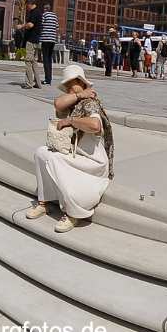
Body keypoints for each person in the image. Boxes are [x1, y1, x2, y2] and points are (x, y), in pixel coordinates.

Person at [27, 65, 114, 233]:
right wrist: (79, 94)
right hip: (76, 155)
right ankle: (44, 202)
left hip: (92, 161)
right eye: (66, 84)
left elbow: (95, 126)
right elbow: (58, 104)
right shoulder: (76, 101)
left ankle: (73, 213)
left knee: (54, 159)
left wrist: (72, 121)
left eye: (71, 83)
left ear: (80, 81)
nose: (68, 87)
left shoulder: (89, 104)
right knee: (41, 153)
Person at [16, 0, 43, 89]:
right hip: (36, 40)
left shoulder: (34, 12)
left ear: (30, 4)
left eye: (27, 5)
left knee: (28, 61)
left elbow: (30, 25)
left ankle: (29, 83)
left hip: (31, 40)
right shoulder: (38, 12)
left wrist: (22, 26)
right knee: (34, 62)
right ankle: (37, 83)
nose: (26, 7)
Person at [39, 3, 59, 85]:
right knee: (49, 59)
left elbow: (41, 25)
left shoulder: (44, 15)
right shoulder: (55, 16)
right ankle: (49, 79)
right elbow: (57, 27)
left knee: (45, 59)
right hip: (52, 40)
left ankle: (47, 79)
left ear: (45, 9)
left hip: (45, 39)